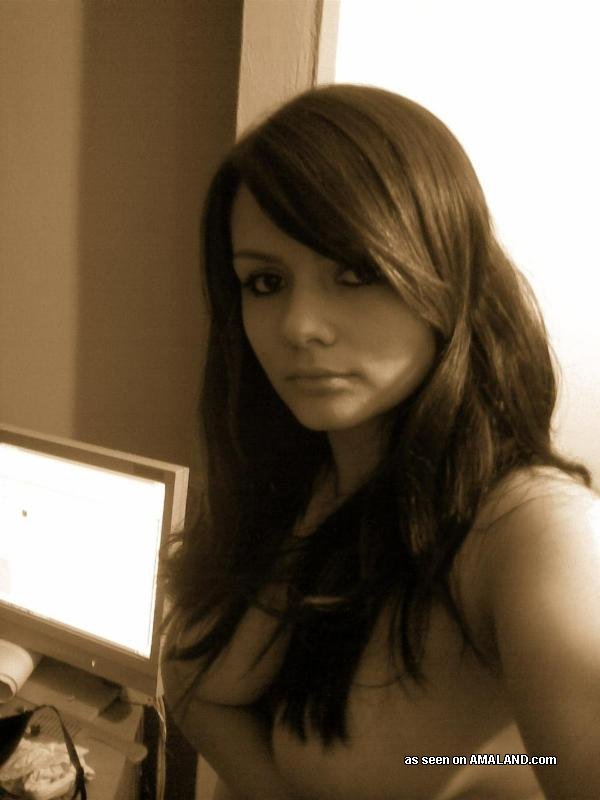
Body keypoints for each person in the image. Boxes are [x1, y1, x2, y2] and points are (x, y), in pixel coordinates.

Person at [161, 84, 600, 800]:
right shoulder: (310, 481)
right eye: (265, 282)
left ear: (446, 275)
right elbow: (195, 688)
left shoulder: (536, 532)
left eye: (356, 272)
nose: (300, 325)